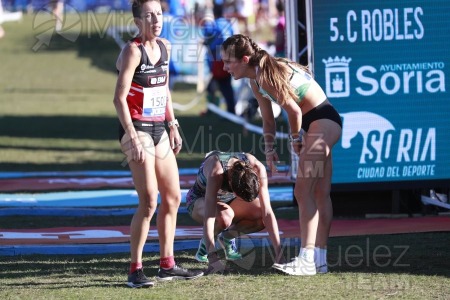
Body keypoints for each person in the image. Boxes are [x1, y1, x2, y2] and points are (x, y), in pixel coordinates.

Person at [221, 34, 342, 276]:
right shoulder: (256, 78)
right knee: (319, 193)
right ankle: (319, 259)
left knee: (302, 190)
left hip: (321, 122)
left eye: (228, 62)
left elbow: (294, 112)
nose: (224, 67)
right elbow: (268, 118)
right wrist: (269, 149)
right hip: (321, 123)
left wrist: (295, 139)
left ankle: (307, 259)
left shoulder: (264, 76)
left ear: (245, 59)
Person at [113, 0, 203, 288]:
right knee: (150, 200)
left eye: (159, 14)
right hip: (136, 128)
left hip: (159, 128)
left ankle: (167, 264)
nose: (156, 19)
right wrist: (131, 135)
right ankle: (135, 270)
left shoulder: (165, 46)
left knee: (174, 197)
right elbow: (119, 98)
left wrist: (173, 124)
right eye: (149, 15)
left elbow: (163, 89)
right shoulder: (132, 51)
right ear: (138, 21)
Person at [186, 150, 284, 274]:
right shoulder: (216, 171)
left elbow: (268, 213)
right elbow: (209, 216)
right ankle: (206, 245)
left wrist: (279, 255)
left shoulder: (257, 167)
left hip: (228, 202)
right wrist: (213, 260)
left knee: (260, 214)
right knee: (224, 217)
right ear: (233, 187)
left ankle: (227, 237)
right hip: (198, 200)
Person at [202, 3, 236, 115]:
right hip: (229, 58)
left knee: (221, 87)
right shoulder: (228, 24)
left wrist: (206, 43)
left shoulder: (214, 25)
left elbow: (207, 37)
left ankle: (222, 110)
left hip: (218, 61)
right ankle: (226, 109)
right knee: (223, 86)